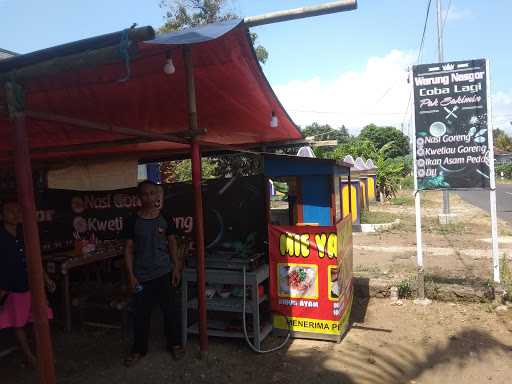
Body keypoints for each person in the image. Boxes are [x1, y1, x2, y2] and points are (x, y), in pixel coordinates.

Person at [123, 181, 184, 367]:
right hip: (142, 276)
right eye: (144, 194)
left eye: (152, 193)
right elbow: (128, 249)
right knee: (140, 315)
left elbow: (172, 243)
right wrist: (131, 276)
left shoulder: (165, 217)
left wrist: (175, 267)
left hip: (164, 273)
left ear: (157, 195)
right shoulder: (132, 220)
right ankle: (138, 350)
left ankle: (174, 344)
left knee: (171, 312)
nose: (148, 197)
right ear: (139, 197)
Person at [0, 201, 55, 367]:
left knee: (39, 319)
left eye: (18, 210)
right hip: (12, 288)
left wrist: (46, 280)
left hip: (33, 285)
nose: (15, 214)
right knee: (18, 324)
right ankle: (29, 357)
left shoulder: (25, 234)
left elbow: (34, 260)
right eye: (10, 211)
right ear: (2, 215)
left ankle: (39, 351)